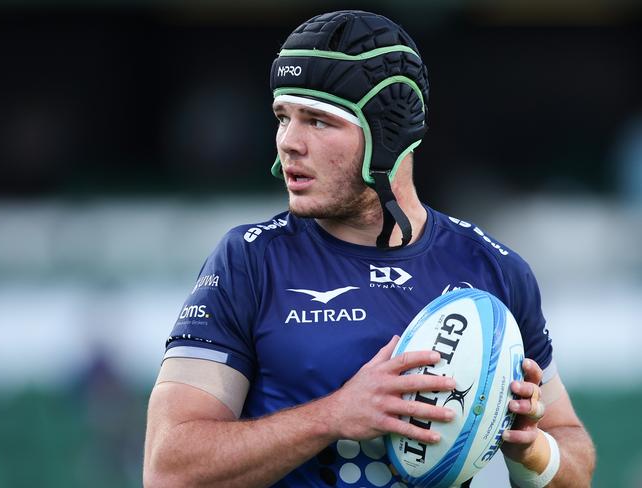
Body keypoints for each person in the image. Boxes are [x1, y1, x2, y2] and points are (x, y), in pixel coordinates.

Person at [143, 10, 595, 488]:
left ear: (389, 133)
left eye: (318, 121)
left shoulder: (495, 270)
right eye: (283, 117)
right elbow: (169, 469)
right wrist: (334, 415)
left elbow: (576, 462)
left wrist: (532, 451)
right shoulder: (250, 262)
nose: (288, 143)